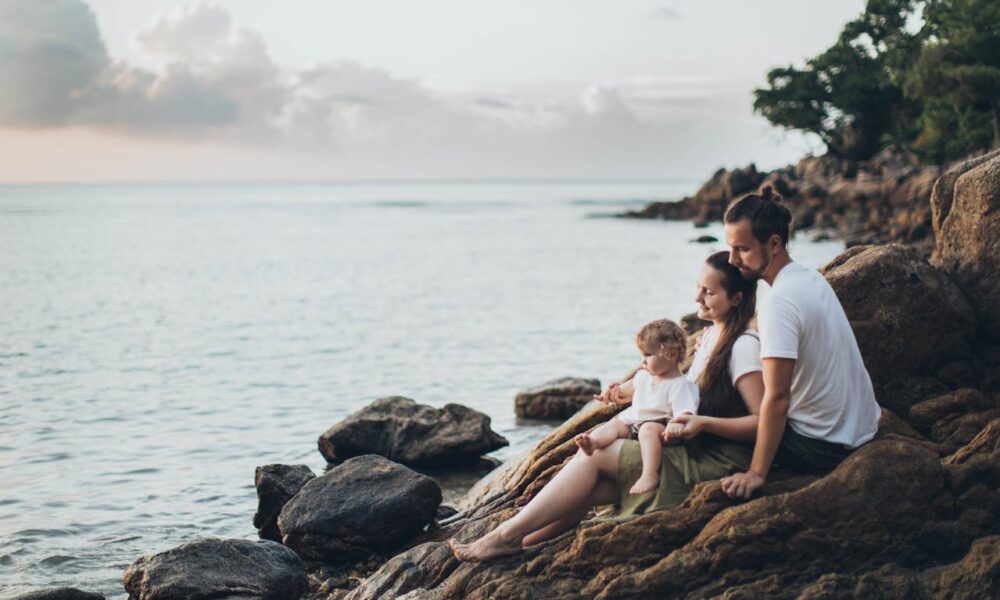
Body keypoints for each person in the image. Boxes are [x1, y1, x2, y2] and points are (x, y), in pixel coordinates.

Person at [450, 251, 764, 562]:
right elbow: (676, 388)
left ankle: (504, 536)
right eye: (698, 286)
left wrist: (705, 424)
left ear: (736, 298)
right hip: (690, 446)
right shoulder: (711, 335)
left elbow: (763, 423)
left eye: (708, 291)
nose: (697, 296)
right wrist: (628, 394)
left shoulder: (743, 347)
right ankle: (524, 540)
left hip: (715, 459)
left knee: (594, 455)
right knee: (590, 484)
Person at [719, 186, 881, 501]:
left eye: (742, 249)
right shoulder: (808, 277)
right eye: (730, 248)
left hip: (821, 447)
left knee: (720, 411)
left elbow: (778, 399)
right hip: (861, 429)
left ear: (774, 244)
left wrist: (756, 474)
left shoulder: (778, 302)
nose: (732, 259)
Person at [573, 319, 699, 496]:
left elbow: (686, 411)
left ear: (670, 354)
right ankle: (594, 443)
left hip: (661, 431)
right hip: (634, 425)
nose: (643, 362)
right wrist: (610, 394)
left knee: (648, 429)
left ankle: (650, 474)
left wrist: (677, 424)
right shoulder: (644, 376)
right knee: (615, 423)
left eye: (647, 355)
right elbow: (623, 392)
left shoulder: (680, 385)